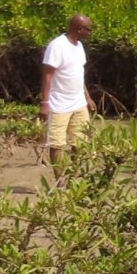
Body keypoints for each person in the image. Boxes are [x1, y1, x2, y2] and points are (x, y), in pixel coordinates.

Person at [40, 14, 97, 171]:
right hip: (59, 103)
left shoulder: (79, 47)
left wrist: (87, 97)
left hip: (78, 102)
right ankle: (60, 180)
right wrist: (45, 103)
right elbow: (47, 74)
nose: (90, 33)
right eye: (88, 29)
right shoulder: (57, 46)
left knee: (80, 141)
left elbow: (78, 74)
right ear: (79, 29)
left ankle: (74, 174)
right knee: (57, 143)